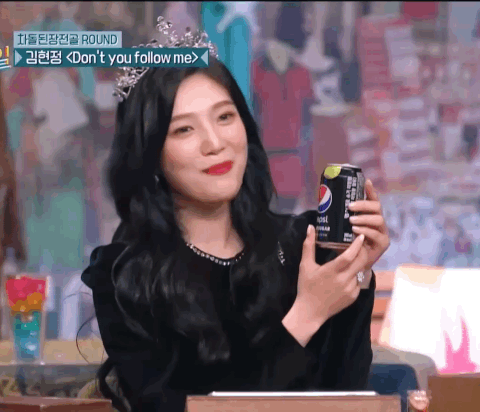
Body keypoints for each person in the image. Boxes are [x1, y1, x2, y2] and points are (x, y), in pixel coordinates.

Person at [81, 19, 390, 412]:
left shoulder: (302, 245)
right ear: (151, 155)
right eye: (184, 130)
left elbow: (347, 395)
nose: (215, 143)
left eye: (225, 117)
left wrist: (356, 275)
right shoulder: (125, 278)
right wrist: (306, 315)